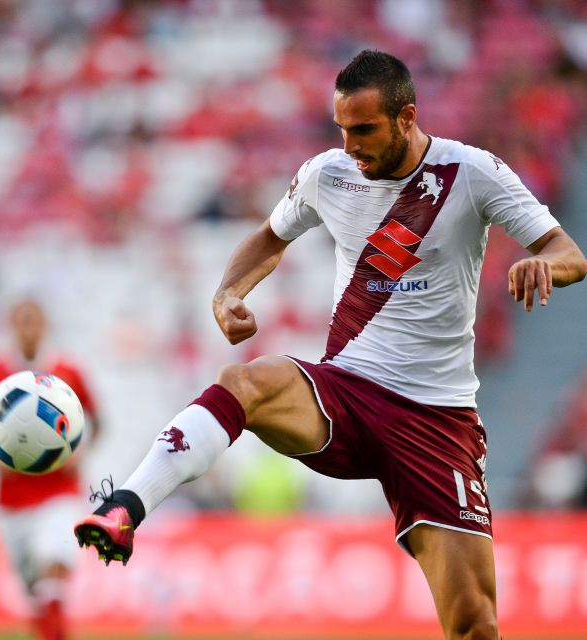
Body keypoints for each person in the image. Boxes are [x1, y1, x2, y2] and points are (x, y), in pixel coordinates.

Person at [74, 50, 587, 640]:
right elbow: (269, 238)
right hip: (346, 392)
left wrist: (541, 265)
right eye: (341, 128)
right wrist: (228, 292)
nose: (350, 145)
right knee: (245, 380)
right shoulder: (328, 173)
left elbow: (568, 252)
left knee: (474, 624)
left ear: (406, 117)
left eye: (364, 129)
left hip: (436, 419)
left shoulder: (471, 174)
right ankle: (125, 508)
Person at [0, 297, 99, 640]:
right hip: (11, 504)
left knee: (54, 577)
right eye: (22, 321)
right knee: (39, 598)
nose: (29, 329)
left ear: (45, 325)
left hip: (59, 493)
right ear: (12, 326)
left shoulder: (67, 373)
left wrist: (81, 451)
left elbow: (98, 422)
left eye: (34, 321)